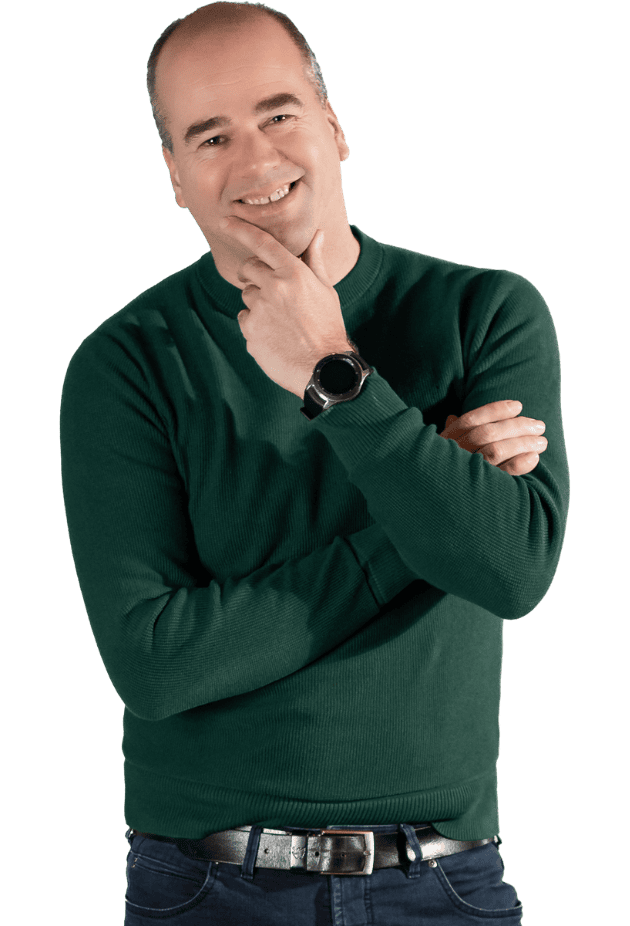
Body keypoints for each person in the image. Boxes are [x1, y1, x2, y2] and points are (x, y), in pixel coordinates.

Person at [59, 3, 570, 923]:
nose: (255, 158)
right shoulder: (126, 363)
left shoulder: (484, 315)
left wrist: (336, 375)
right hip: (206, 885)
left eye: (279, 114)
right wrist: (428, 496)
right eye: (211, 136)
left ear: (334, 129)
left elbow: (509, 570)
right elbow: (159, 663)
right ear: (175, 176)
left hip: (443, 881)